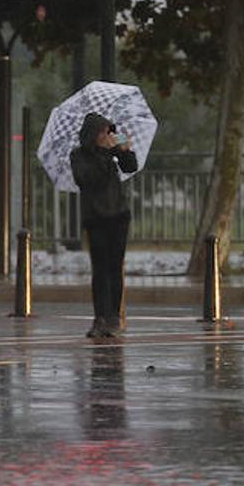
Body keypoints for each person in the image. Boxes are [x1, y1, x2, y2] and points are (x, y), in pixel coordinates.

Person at [70, 113, 137, 338]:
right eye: (103, 132)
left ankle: (113, 318)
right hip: (95, 217)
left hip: (118, 215)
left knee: (115, 267)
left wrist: (123, 151)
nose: (107, 136)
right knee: (100, 269)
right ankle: (100, 317)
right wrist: (107, 154)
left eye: (109, 132)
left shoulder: (112, 153)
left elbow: (131, 167)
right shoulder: (79, 156)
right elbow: (88, 179)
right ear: (93, 134)